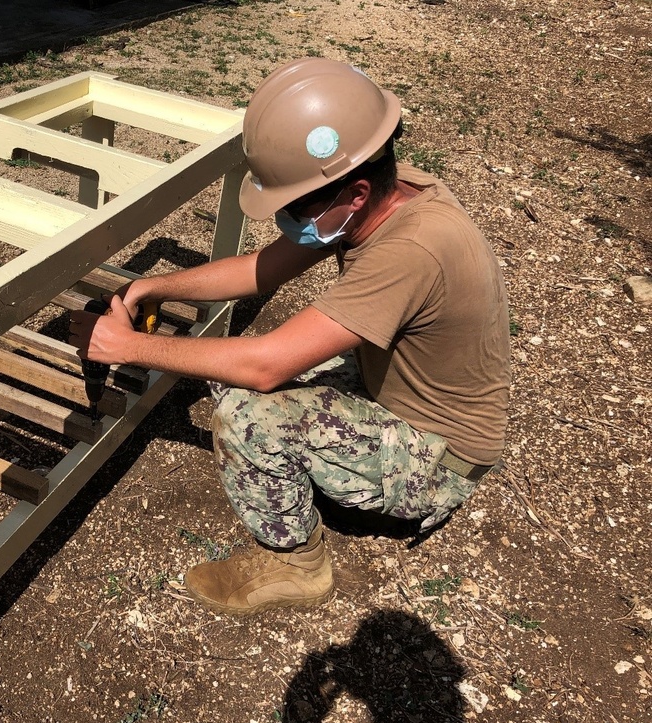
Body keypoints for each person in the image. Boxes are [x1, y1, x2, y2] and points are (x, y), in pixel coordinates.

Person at [69, 58, 511, 616]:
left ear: (352, 193)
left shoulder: (411, 251)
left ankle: (296, 562)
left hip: (439, 454)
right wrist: (156, 286)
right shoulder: (380, 193)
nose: (282, 217)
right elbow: (260, 269)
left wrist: (129, 347)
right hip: (397, 391)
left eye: (291, 205)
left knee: (247, 410)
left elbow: (265, 367)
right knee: (228, 373)